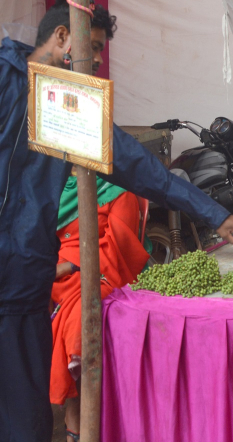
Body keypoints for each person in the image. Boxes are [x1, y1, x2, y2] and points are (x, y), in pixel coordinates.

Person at [0, 0, 233, 442]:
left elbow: (140, 168)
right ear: (62, 37)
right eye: (93, 47)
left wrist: (216, 216)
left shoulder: (65, 105)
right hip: (21, 277)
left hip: (23, 287)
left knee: (25, 423)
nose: (98, 61)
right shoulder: (6, 80)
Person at [51, 176, 148, 440]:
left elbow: (118, 250)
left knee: (79, 319)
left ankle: (76, 416)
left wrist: (69, 267)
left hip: (101, 269)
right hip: (53, 271)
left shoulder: (118, 191)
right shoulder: (52, 185)